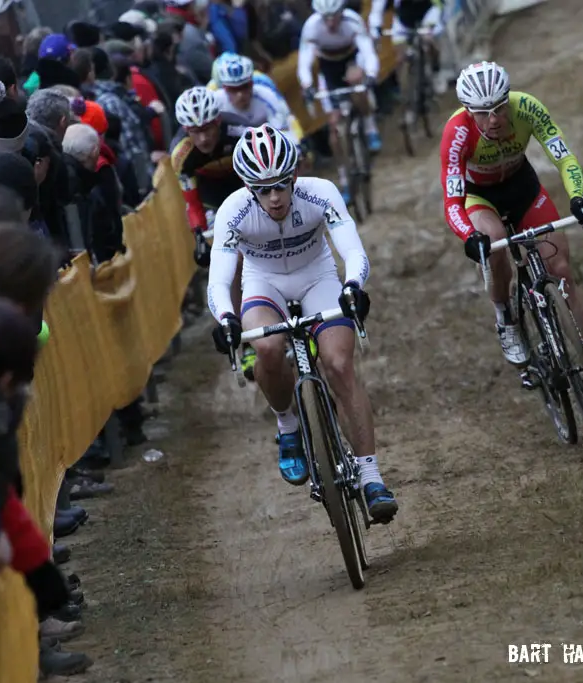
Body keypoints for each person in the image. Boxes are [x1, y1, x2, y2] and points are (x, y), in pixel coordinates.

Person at [207, 124, 398, 522]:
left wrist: (352, 286)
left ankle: (371, 476)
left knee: (340, 365)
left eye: (281, 185)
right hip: (264, 283)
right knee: (266, 347)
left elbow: (352, 250)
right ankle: (288, 423)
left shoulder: (320, 192)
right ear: (247, 186)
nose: (275, 198)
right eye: (263, 189)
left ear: (294, 176)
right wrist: (225, 318)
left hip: (317, 276)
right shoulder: (232, 211)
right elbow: (220, 280)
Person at [439, 61, 583, 405]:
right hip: (480, 198)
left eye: (499, 108)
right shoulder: (457, 132)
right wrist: (468, 236)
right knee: (492, 245)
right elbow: (452, 200)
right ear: (468, 111)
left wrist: (578, 197)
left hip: (524, 189)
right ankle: (505, 316)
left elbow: (564, 158)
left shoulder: (528, 108)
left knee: (562, 271)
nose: (494, 119)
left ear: (509, 100)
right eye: (483, 113)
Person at [171, 88, 256, 374]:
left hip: (245, 185)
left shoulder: (241, 131)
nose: (204, 138)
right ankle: (245, 342)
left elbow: (260, 176)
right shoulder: (182, 154)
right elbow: (192, 203)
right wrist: (198, 235)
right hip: (211, 200)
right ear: (186, 130)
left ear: (218, 122)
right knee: (230, 265)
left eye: (208, 129)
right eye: (195, 132)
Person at [297, 0, 382, 203]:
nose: (330, 22)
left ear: (342, 13)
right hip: (329, 71)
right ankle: (344, 177)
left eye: (334, 16)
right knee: (334, 128)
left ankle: (370, 128)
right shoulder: (311, 27)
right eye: (326, 17)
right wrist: (308, 85)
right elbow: (304, 61)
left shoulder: (352, 21)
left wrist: (370, 74)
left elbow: (368, 52)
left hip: (352, 62)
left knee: (356, 81)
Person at [210, 53, 301, 144]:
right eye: (233, 89)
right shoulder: (213, 99)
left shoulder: (267, 95)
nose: (240, 94)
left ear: (252, 83)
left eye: (245, 86)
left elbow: (286, 130)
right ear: (223, 87)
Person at [368, 0, 446, 94]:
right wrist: (376, 28)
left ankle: (436, 70)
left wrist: (433, 24)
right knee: (400, 57)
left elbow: (438, 6)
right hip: (402, 19)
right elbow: (377, 9)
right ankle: (406, 93)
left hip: (428, 12)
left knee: (428, 40)